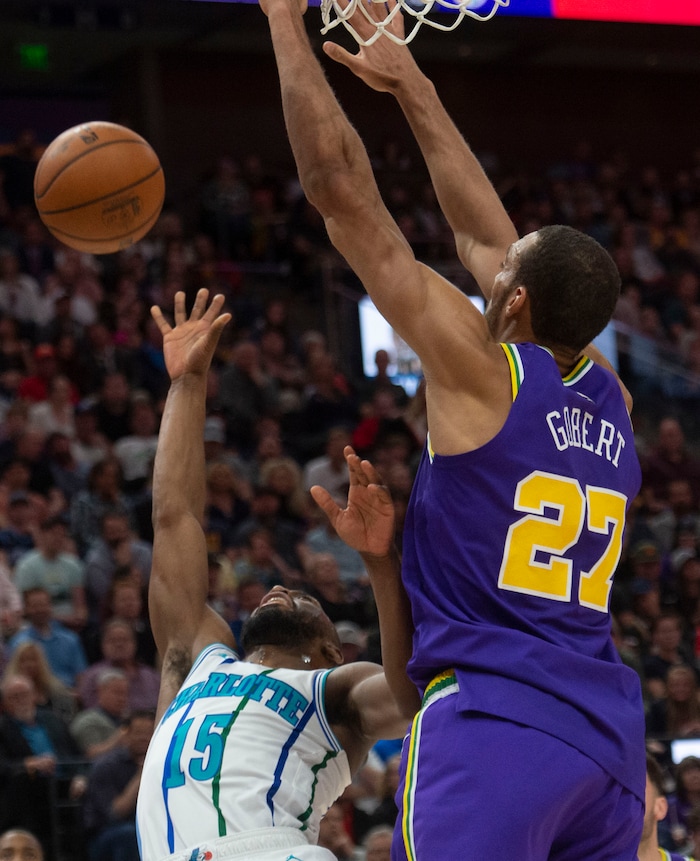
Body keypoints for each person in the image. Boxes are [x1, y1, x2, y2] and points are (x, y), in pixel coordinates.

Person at [258, 2, 645, 857]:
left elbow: (341, 197)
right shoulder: (609, 394)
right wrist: (410, 83)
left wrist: (285, 19)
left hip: (497, 728)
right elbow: (487, 235)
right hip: (608, 746)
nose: (488, 262)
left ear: (513, 304)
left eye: (501, 277)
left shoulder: (483, 370)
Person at [136, 289, 418, 861]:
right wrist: (187, 385)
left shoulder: (332, 691)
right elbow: (174, 518)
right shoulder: (197, 655)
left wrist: (380, 563)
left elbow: (415, 696)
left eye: (306, 599)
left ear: (331, 649)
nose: (283, 587)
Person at [82, 709, 154, 861]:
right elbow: (115, 813)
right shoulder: (106, 765)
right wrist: (140, 776)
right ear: (126, 735)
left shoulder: (160, 763)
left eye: (149, 733)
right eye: (139, 732)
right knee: (129, 833)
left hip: (146, 830)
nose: (144, 738)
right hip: (106, 835)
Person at [641, 753, 697, 861]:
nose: (694, 776)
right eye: (689, 772)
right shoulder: (673, 804)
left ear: (660, 807)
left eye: (697, 771)